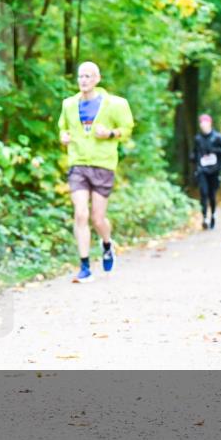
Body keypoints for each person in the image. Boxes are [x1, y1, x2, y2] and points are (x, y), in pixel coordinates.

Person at [57, 61, 134, 282]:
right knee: (81, 214)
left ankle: (107, 245)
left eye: (88, 76)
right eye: (81, 76)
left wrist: (110, 133)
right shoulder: (69, 104)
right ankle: (84, 266)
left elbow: (127, 129)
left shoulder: (116, 104)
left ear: (97, 79)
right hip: (78, 163)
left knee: (98, 219)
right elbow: (63, 127)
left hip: (103, 164)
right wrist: (63, 136)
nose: (83, 80)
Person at [191, 114, 221, 229]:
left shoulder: (218, 137)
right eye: (201, 123)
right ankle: (204, 218)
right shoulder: (197, 138)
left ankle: (213, 215)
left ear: (210, 123)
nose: (203, 125)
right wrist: (193, 158)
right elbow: (195, 152)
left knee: (212, 195)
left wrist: (214, 150)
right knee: (203, 193)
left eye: (205, 122)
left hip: (214, 170)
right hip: (202, 170)